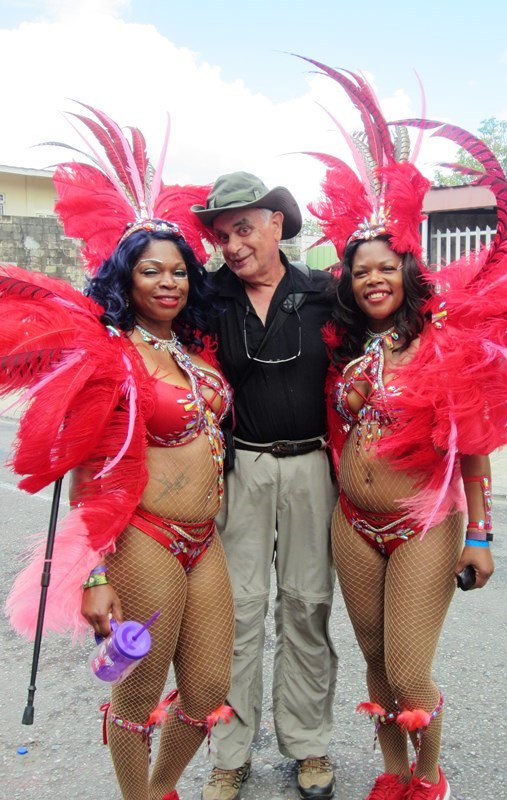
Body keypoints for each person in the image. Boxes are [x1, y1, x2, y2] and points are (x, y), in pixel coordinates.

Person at [300, 58, 507, 800]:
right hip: (353, 521)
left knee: (412, 669)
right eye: (359, 272)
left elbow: (473, 447)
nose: (372, 279)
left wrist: (481, 534)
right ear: (347, 283)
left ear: (408, 273)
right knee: (376, 660)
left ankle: (429, 778)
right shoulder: (345, 347)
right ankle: (389, 773)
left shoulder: (446, 341)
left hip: (425, 521)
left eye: (385, 268)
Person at [2, 106, 235, 800]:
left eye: (178, 271)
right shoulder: (109, 356)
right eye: (151, 272)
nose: (168, 283)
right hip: (143, 537)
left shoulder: (192, 352)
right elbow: (86, 466)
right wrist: (95, 572)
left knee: (208, 691)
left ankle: (162, 788)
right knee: (137, 696)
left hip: (206, 538)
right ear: (126, 280)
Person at [191, 172, 338, 800]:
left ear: (277, 223)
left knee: (307, 608)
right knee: (239, 614)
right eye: (223, 234)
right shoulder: (207, 299)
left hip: (313, 468)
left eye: (244, 228)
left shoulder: (326, 292)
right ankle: (230, 754)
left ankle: (308, 745)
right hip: (241, 470)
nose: (232, 244)